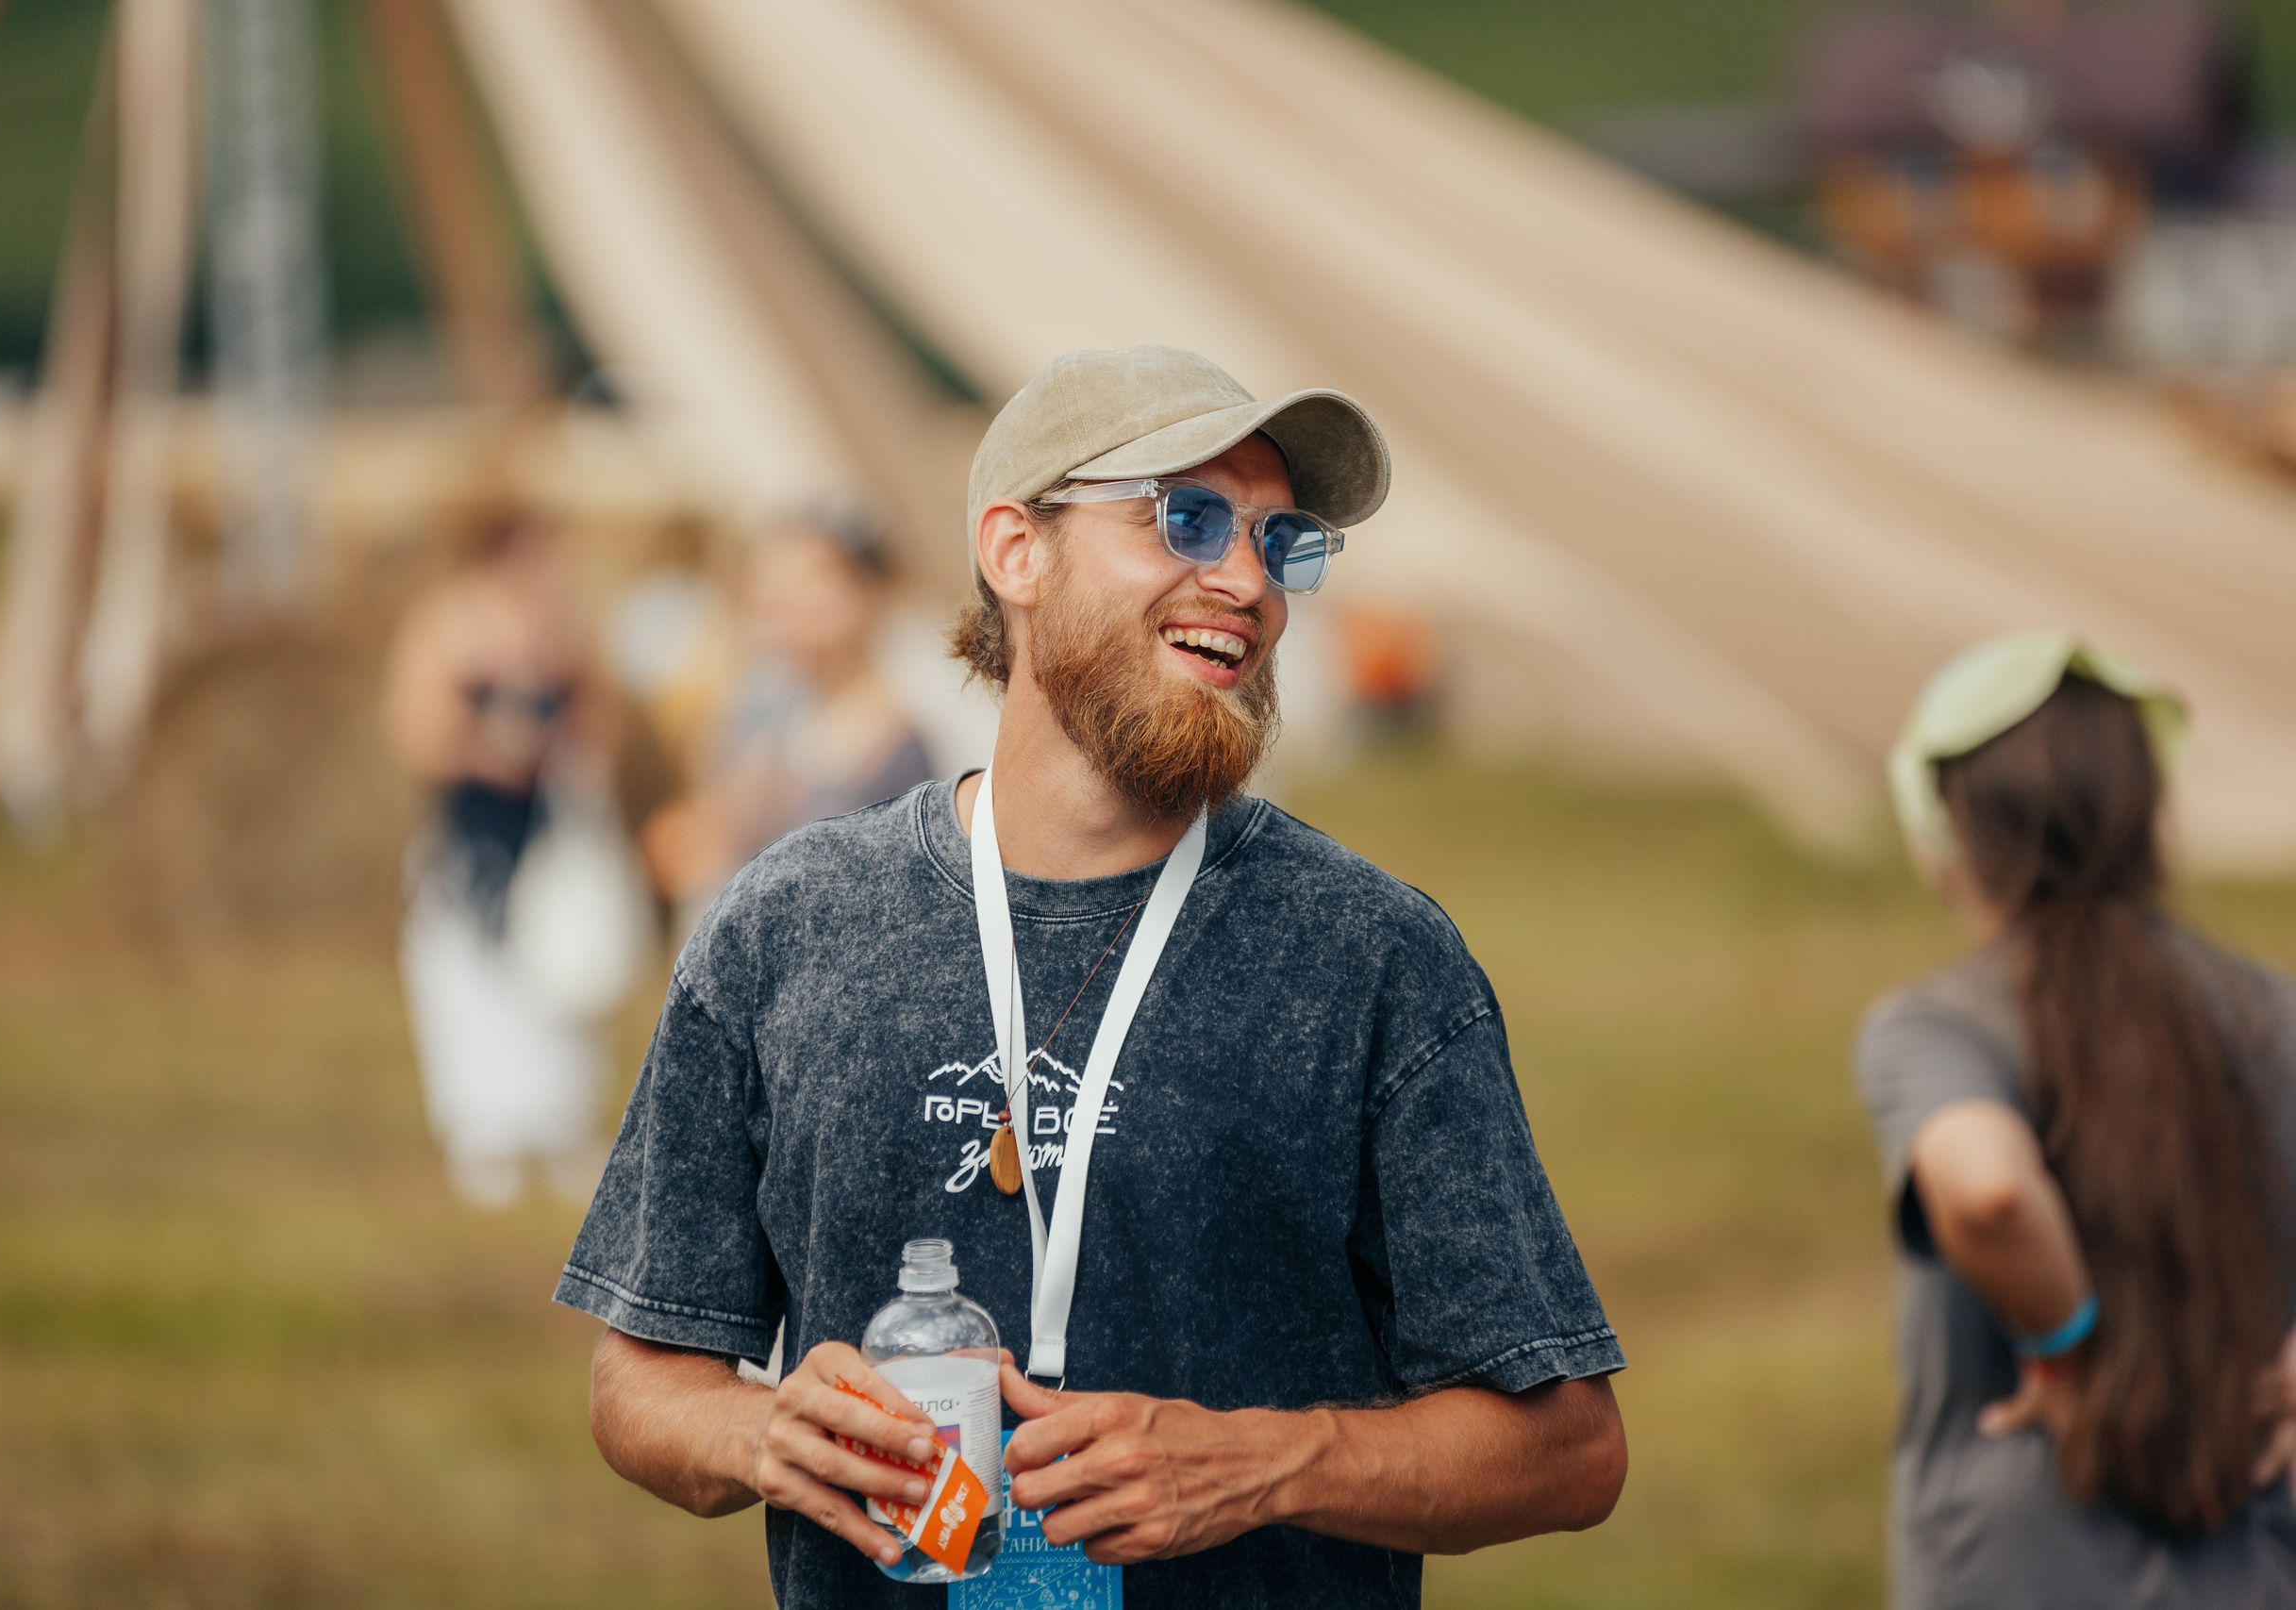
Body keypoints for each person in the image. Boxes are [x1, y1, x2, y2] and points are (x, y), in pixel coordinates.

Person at [555, 346, 1627, 1608]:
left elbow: (1568, 1445)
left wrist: (1270, 1461)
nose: (1246, 580)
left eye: (1279, 540)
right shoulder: (785, 927)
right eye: (1186, 516)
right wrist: (761, 1432)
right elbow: (638, 1380)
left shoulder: (1373, 957)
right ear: (1018, 550)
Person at [1856, 633, 2296, 1609]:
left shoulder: (1940, 1023)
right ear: (2151, 811)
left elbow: (1989, 1190)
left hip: (2009, 1568)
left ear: (1944, 832)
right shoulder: (2272, 1011)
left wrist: (2065, 1350)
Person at [382, 512, 624, 1208]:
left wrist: (565, 754)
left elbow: (603, 722)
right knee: (467, 975)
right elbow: (416, 730)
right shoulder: (448, 624)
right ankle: (483, 1128)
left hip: (548, 833)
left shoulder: (566, 634)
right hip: (471, 830)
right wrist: (490, 750)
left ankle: (558, 1120)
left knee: (560, 973)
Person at [638, 503, 933, 923]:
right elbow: (700, 838)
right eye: (772, 580)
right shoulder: (760, 706)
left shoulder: (902, 744)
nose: (783, 598)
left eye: (810, 576)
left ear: (870, 590)